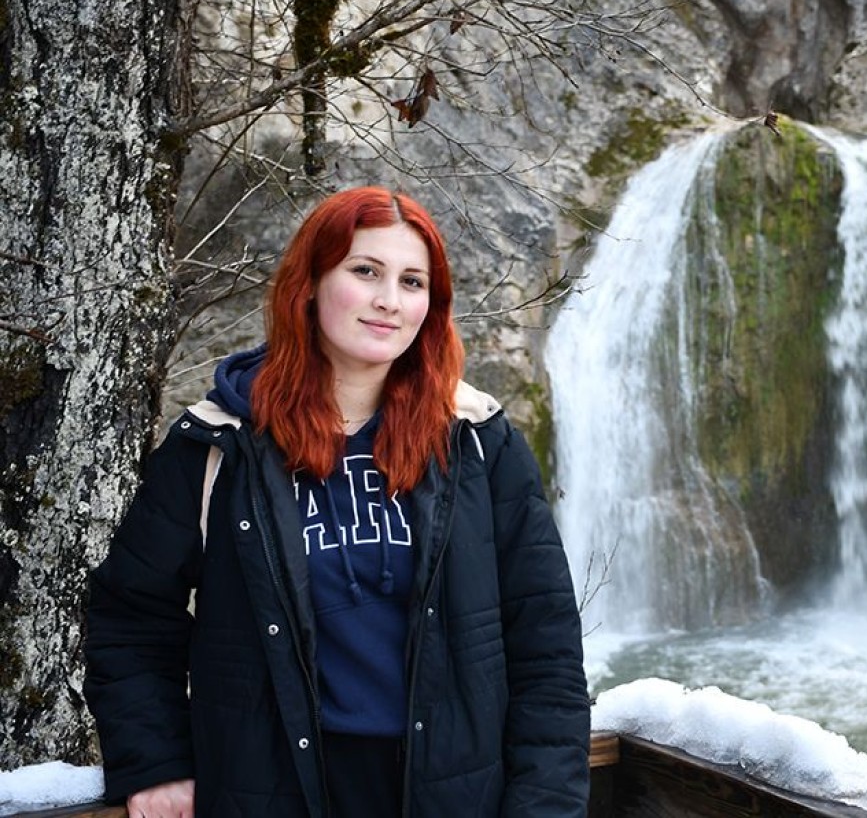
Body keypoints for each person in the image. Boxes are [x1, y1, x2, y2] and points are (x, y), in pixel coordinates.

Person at [84, 187, 590, 818]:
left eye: (412, 281)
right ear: (312, 282)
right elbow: (130, 615)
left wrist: (545, 804)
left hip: (450, 793)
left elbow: (545, 643)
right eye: (365, 271)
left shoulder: (477, 440)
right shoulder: (218, 445)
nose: (389, 300)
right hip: (271, 788)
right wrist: (157, 764)